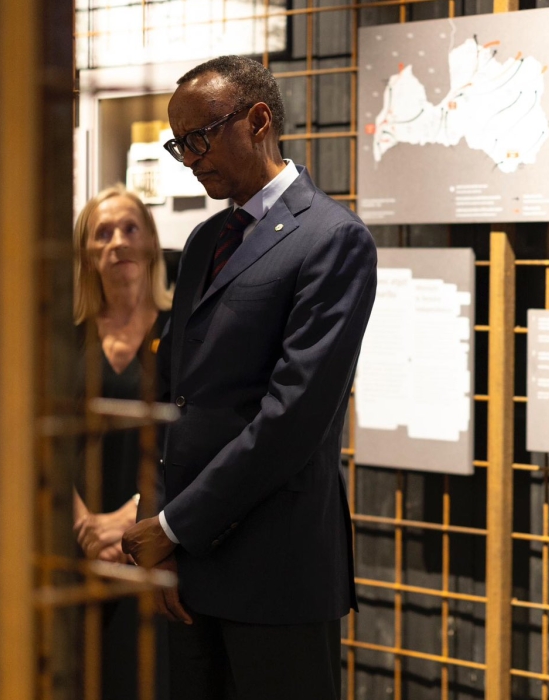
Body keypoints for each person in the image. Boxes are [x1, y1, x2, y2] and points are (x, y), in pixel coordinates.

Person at [122, 55, 378, 700]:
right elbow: (175, 398)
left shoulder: (333, 240)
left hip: (276, 571)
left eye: (199, 138)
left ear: (258, 120)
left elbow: (292, 417)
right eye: (179, 145)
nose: (191, 159)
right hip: (191, 562)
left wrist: (176, 526)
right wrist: (167, 533)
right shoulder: (208, 239)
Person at [72, 185, 172, 700]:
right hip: (75, 553)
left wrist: (135, 518)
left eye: (130, 228)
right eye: (102, 233)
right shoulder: (67, 337)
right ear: (86, 253)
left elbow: (192, 440)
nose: (118, 242)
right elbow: (43, 438)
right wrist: (82, 523)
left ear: (152, 243)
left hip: (155, 547)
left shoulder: (182, 332)